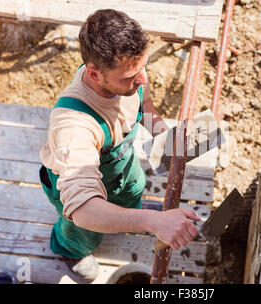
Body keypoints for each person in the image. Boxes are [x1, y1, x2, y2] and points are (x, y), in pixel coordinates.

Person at [38, 9, 200, 282]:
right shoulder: (74, 125)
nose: (142, 81)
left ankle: (125, 214)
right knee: (82, 232)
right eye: (130, 77)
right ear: (93, 74)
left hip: (121, 169)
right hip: (85, 193)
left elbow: (144, 106)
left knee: (134, 190)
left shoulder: (127, 70)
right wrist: (153, 221)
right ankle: (71, 252)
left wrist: (164, 136)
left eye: (141, 69)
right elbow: (84, 209)